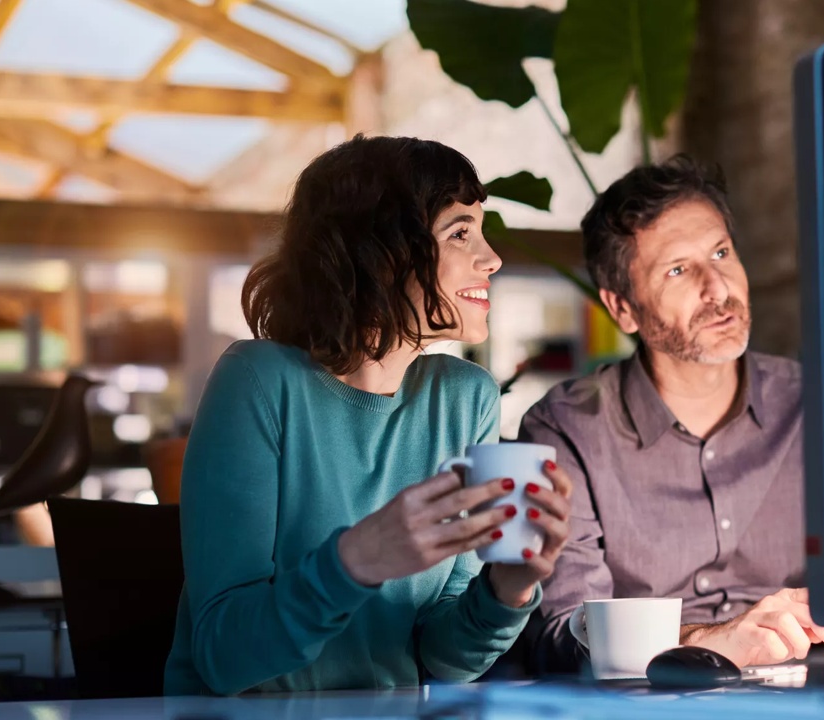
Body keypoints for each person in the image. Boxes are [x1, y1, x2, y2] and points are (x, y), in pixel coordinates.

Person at [164, 135, 574, 695]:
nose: (493, 258)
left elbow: (446, 658)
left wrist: (509, 589)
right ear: (382, 253)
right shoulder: (259, 380)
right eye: (460, 233)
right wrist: (356, 560)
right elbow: (222, 657)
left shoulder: (465, 398)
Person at [519, 156, 824, 673]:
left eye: (721, 252)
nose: (718, 289)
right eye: (677, 269)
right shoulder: (566, 430)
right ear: (622, 307)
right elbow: (563, 634)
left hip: (820, 694)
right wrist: (717, 641)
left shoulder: (820, 404)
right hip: (650, 705)